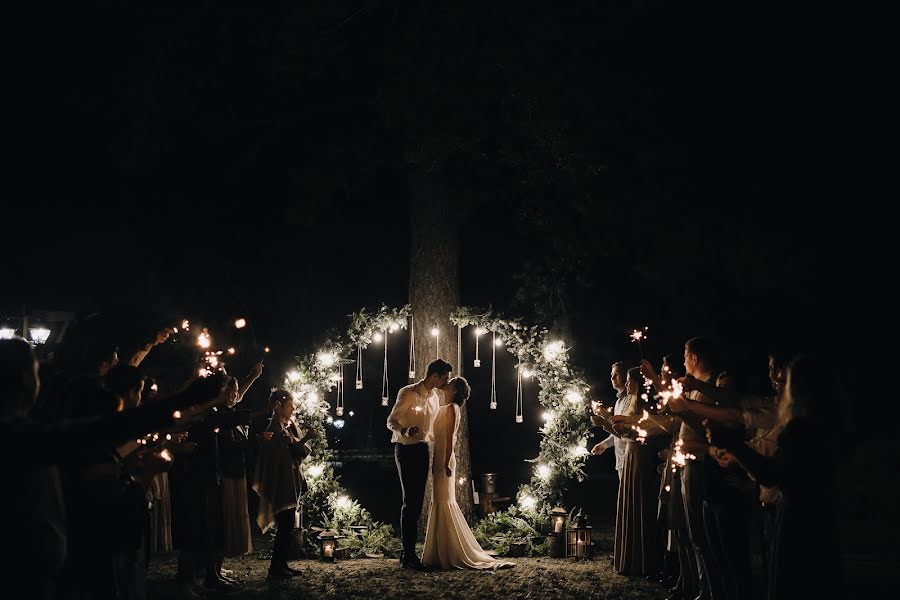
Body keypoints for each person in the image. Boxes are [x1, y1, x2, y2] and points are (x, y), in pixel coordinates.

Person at [421, 377, 514, 570]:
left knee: (444, 501)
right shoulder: (441, 408)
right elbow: (433, 435)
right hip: (437, 459)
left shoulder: (452, 409)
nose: (445, 385)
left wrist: (446, 462)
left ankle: (451, 551)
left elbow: (450, 439)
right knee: (437, 501)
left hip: (445, 460)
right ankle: (438, 551)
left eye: (450, 383)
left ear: (454, 390)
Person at [386, 358, 451, 570]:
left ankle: (409, 553)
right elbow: (391, 421)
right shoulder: (407, 393)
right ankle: (408, 554)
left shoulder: (434, 399)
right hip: (405, 450)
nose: (445, 382)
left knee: (418, 502)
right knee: (410, 501)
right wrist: (404, 430)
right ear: (434, 376)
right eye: (444, 378)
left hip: (423, 450)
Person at [253, 390, 316, 579]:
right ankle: (275, 568)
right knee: (285, 524)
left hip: (290, 479)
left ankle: (281, 564)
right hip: (281, 483)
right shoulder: (274, 429)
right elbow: (280, 458)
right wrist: (303, 440)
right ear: (278, 407)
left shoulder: (288, 426)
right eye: (290, 405)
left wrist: (298, 442)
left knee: (287, 526)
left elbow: (298, 452)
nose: (293, 408)